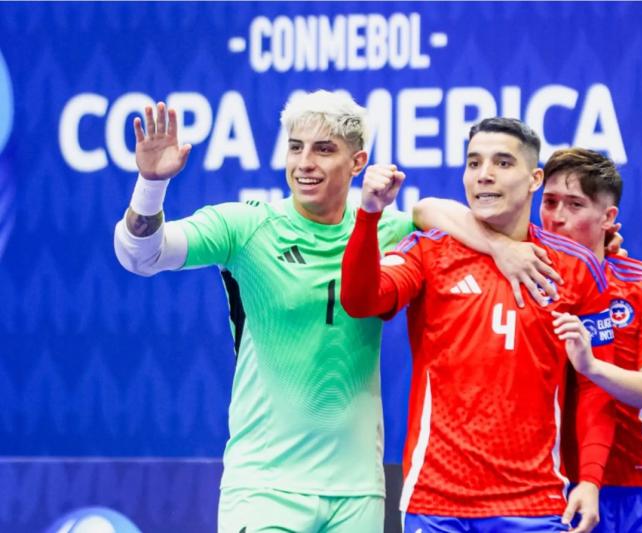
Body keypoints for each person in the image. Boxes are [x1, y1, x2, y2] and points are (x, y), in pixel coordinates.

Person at [113, 90, 417, 533]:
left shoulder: (389, 228)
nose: (304, 163)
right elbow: (140, 256)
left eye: (324, 149)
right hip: (264, 486)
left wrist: (500, 250)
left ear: (358, 162)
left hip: (357, 492)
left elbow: (445, 220)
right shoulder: (247, 226)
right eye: (295, 147)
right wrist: (151, 185)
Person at [340, 118, 616, 533]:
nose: (484, 174)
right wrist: (368, 215)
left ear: (534, 179)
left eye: (503, 163)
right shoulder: (428, 250)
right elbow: (361, 301)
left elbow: (596, 385)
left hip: (537, 504)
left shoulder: (578, 269)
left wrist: (591, 478)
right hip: (436, 502)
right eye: (474, 163)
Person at [416, 147, 642, 532]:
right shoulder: (521, 268)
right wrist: (499, 245)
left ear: (609, 219)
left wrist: (592, 367)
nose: (557, 217)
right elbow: (426, 210)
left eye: (574, 205)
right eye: (551, 202)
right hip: (552, 489)